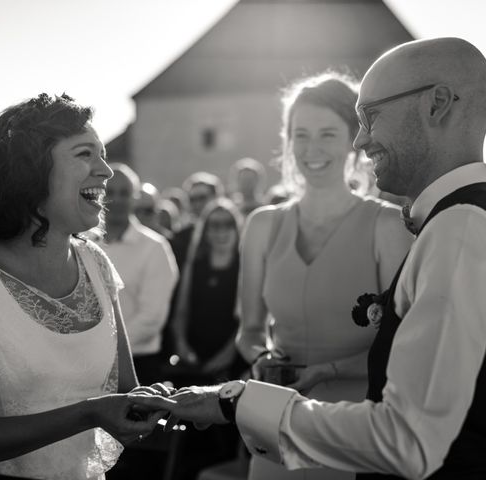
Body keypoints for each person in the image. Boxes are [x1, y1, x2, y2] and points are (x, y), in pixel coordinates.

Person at [129, 37, 486, 480]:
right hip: (287, 432)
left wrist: (236, 401)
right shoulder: (449, 223)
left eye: (369, 116)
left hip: (348, 436)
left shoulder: (459, 226)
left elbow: (408, 439)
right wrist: (255, 376)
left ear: (438, 104)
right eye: (300, 134)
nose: (361, 138)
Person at [0, 94, 164, 480]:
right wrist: (87, 413)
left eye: (103, 154)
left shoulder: (95, 263)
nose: (106, 172)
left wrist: (157, 404)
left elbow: (126, 391)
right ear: (32, 172)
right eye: (85, 154)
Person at [239, 71, 412, 480]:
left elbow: (403, 344)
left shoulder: (386, 226)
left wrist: (328, 372)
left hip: (358, 428)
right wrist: (261, 357)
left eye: (327, 134)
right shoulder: (262, 225)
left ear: (355, 141)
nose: (311, 149)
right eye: (300, 134)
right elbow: (247, 331)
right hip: (276, 424)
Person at [102, 164, 178, 385]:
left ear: (135, 198)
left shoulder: (155, 248)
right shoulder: (82, 242)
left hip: (138, 366)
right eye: (109, 192)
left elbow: (151, 319)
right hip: (89, 365)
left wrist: (102, 348)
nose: (116, 199)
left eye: (124, 193)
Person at [171, 198, 247, 384]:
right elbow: (181, 311)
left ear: (236, 228)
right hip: (194, 358)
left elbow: (247, 321)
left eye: (228, 224)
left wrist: (226, 356)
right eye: (215, 224)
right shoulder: (194, 264)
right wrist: (181, 345)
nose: (221, 230)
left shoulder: (245, 266)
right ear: (205, 230)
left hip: (233, 362)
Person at [170, 172, 224, 269]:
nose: (197, 204)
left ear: (216, 198)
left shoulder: (230, 231)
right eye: (192, 199)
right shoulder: (180, 238)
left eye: (202, 198)